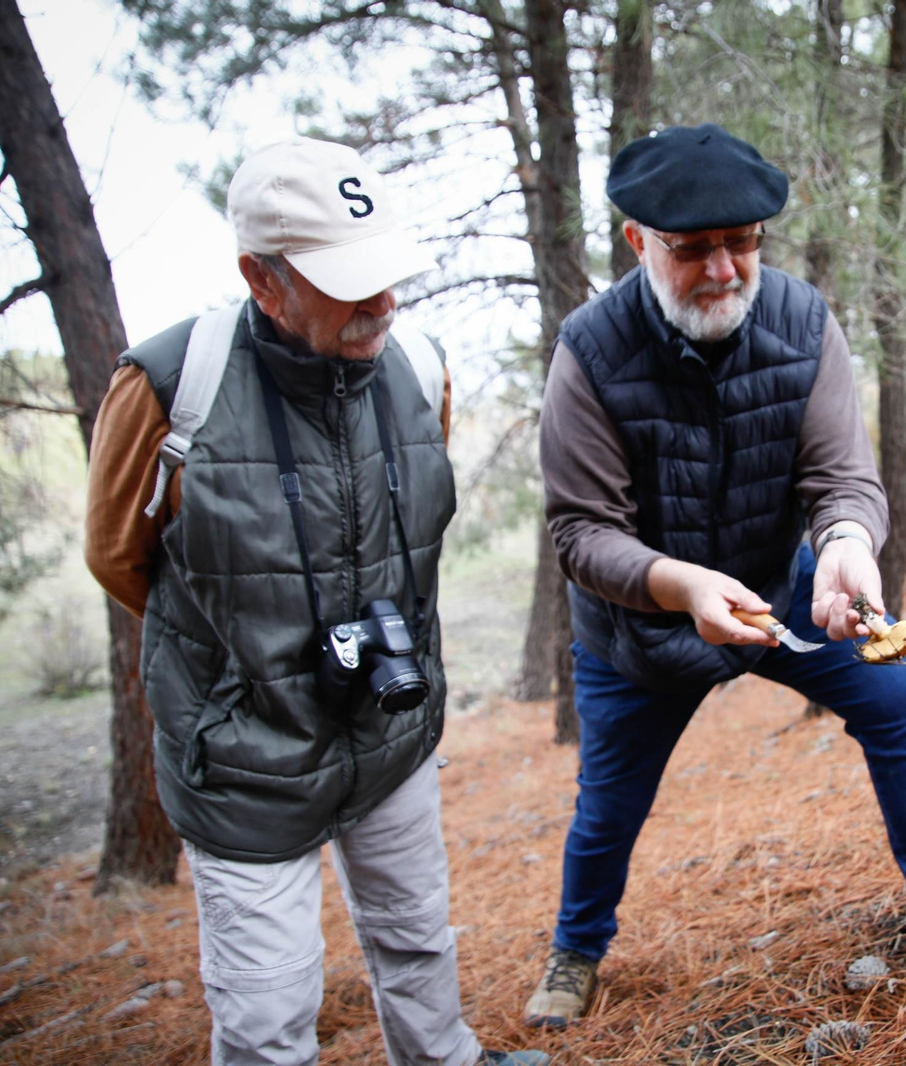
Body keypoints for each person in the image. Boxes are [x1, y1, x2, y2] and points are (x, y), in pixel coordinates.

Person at [524, 124, 906, 1031]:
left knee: (904, 688)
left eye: (741, 242)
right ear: (637, 242)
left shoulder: (801, 320)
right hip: (641, 624)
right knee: (606, 810)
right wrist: (681, 587)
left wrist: (849, 548)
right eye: (691, 249)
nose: (721, 270)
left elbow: (841, 478)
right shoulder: (589, 352)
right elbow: (584, 535)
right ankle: (575, 949)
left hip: (780, 586)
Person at [84, 137, 546, 1066]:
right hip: (247, 761)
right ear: (262, 279)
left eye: (388, 275)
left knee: (418, 942)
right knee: (267, 1018)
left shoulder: (419, 365)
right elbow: (116, 558)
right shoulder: (171, 388)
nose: (382, 302)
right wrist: (244, 673)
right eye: (349, 282)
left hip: (390, 732)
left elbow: (416, 526)